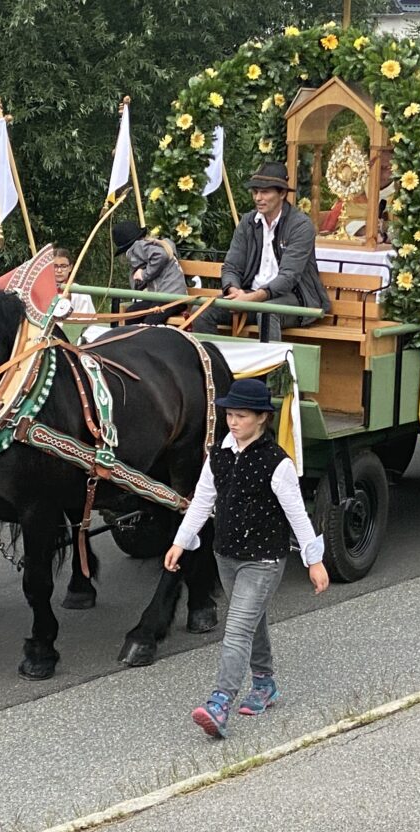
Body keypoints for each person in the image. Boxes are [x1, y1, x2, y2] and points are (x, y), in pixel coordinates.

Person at [163, 378, 328, 738]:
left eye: (240, 416)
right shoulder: (218, 455)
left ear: (261, 419)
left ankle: (219, 703)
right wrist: (181, 541)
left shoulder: (277, 463)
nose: (232, 422)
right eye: (229, 415)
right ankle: (265, 682)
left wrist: (313, 561)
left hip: (264, 560)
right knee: (251, 620)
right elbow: (202, 501)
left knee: (236, 628)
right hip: (226, 555)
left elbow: (298, 514)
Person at [193, 162, 331, 342]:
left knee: (266, 313)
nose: (258, 197)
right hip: (249, 295)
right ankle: (217, 365)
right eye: (255, 192)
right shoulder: (247, 222)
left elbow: (288, 277)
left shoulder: (301, 226)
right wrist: (235, 292)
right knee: (201, 311)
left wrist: (251, 298)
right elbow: (231, 267)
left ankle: (271, 370)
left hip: (295, 298)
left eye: (265, 192)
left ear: (282, 193)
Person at [111, 221, 188, 326]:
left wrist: (143, 274)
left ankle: (145, 341)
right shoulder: (151, 245)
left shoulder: (138, 246)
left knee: (150, 322)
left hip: (170, 298)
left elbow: (161, 256)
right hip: (166, 297)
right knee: (132, 313)